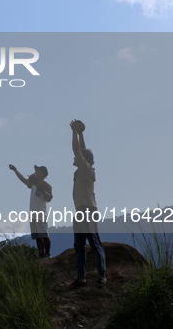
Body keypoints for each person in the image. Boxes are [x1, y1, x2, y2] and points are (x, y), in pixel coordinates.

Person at [69, 119, 106, 289]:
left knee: (94, 243)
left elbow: (77, 150)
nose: (75, 157)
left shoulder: (86, 169)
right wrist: (82, 134)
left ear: (84, 159)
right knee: (79, 245)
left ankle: (102, 275)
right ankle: (81, 277)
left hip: (88, 210)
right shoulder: (83, 170)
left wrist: (75, 131)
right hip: (81, 210)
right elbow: (81, 150)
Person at [9, 164, 53, 258]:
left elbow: (49, 198)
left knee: (44, 235)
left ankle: (48, 254)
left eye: (37, 170)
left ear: (42, 173)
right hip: (33, 214)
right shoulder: (33, 184)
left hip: (41, 213)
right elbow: (23, 179)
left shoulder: (47, 186)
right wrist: (15, 170)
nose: (35, 172)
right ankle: (41, 255)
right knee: (37, 237)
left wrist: (42, 190)